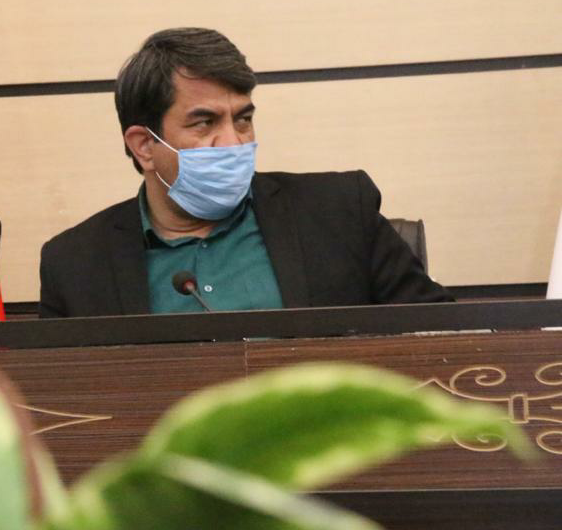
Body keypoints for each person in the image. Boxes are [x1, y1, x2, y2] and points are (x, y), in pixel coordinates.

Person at [39, 28, 451, 318]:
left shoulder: (339, 211)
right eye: (205, 123)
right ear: (144, 146)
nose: (233, 142)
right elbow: (61, 401)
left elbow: (444, 339)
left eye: (242, 119)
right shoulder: (75, 265)